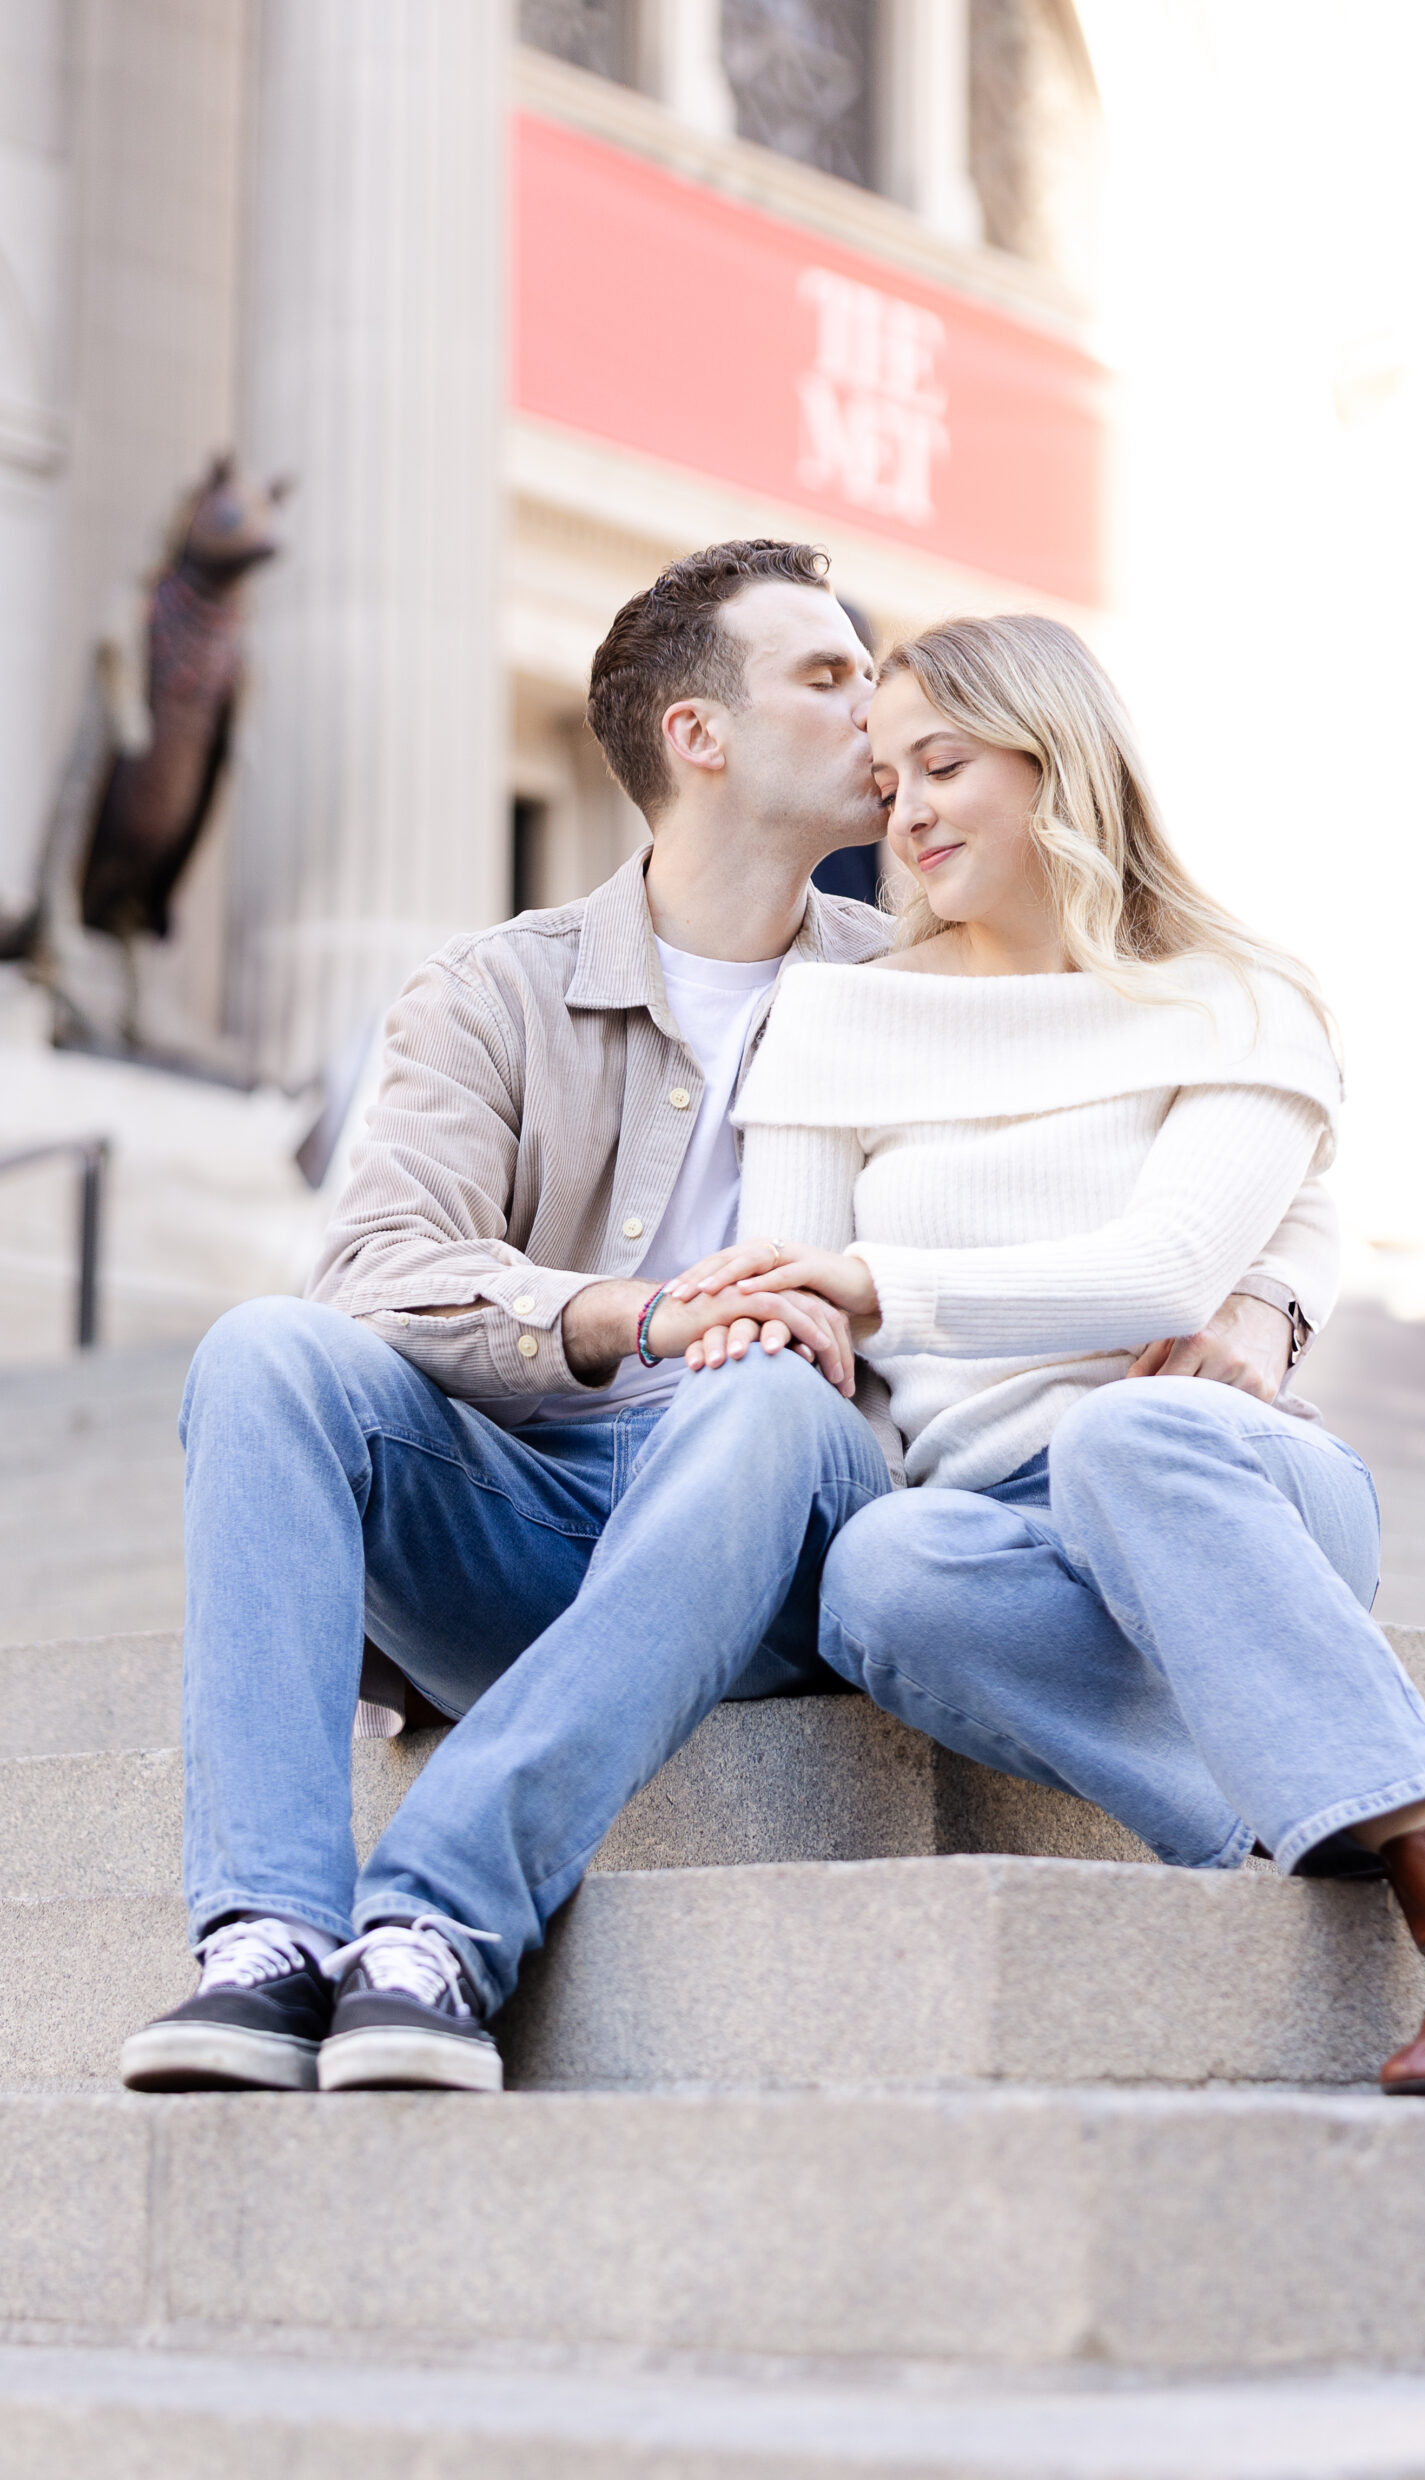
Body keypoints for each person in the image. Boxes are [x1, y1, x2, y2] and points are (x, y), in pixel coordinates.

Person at [120, 543, 1320, 2097]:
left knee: (763, 1396)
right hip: (528, 1518)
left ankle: (438, 1926)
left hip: (789, 1530)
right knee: (264, 1351)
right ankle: (267, 1944)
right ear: (701, 738)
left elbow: (1220, 1079)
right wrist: (639, 1315)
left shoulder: (934, 974)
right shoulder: (492, 992)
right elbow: (374, 1271)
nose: (876, 715)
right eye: (827, 678)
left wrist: (1267, 1293)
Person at [670, 612, 1425, 2099]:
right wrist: (812, 1306)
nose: (904, 813)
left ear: (1059, 763)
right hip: (990, 1534)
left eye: (944, 766)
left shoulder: (1236, 991)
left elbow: (1173, 1265)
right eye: (889, 779)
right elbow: (796, 1311)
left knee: (1116, 1437)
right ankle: (1407, 1812)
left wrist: (888, 1279)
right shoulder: (836, 1018)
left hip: (1218, 1486)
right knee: (880, 1576)